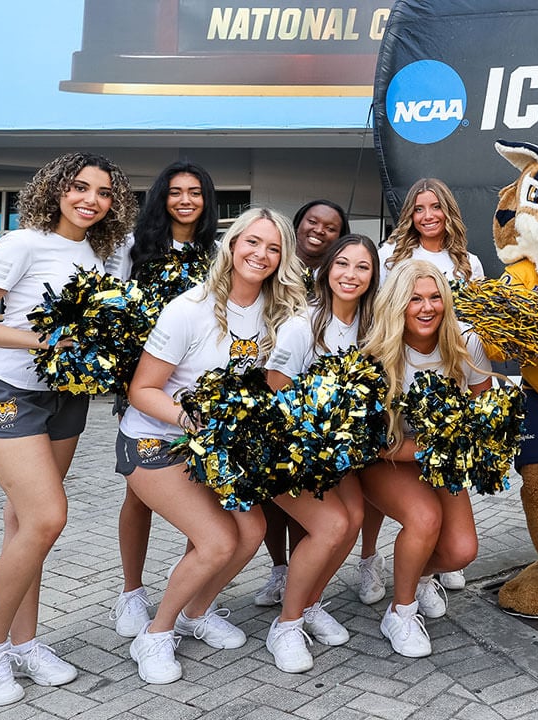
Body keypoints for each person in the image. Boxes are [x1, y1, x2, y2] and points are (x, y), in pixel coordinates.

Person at [0, 152, 136, 707]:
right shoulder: (21, 243)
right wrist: (47, 341)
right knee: (49, 516)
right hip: (6, 393)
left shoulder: (102, 256)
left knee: (25, 521)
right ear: (55, 189)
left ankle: (24, 643)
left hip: (65, 397)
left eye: (103, 193)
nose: (90, 201)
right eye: (79, 188)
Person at [116, 207, 306, 684]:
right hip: (155, 441)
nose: (261, 255)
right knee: (218, 539)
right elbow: (142, 389)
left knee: (253, 529)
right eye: (252, 242)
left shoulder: (278, 312)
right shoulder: (189, 308)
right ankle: (155, 635)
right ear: (231, 244)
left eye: (274, 248)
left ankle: (194, 613)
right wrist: (191, 420)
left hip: (217, 448)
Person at [359, 261, 495, 658]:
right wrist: (429, 449)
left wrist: (471, 441)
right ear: (398, 303)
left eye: (435, 297)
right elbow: (368, 440)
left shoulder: (465, 341)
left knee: (461, 551)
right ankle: (400, 612)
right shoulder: (377, 350)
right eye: (415, 298)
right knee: (424, 519)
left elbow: (484, 406)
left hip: (438, 458)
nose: (426, 307)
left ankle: (416, 574)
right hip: (386, 457)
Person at [258, 233, 378, 672]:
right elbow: (275, 382)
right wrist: (308, 435)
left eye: (362, 267)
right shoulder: (302, 324)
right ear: (325, 270)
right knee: (331, 527)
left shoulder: (369, 326)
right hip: (288, 448)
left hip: (333, 453)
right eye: (342, 264)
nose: (350, 275)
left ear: (372, 276)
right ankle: (286, 627)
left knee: (355, 520)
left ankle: (308, 604)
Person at [109, 160, 219, 638]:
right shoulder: (135, 247)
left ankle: (191, 593)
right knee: (140, 493)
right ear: (162, 197)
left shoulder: (216, 252)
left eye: (195, 192)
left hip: (198, 387)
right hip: (148, 379)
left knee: (198, 488)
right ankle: (132, 593)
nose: (186, 200)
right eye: (176, 192)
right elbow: (112, 304)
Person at [361, 179, 483, 601]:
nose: (428, 215)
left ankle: (424, 566)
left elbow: (480, 384)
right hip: (395, 425)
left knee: (461, 547)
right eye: (419, 208)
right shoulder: (390, 257)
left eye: (436, 207)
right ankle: (377, 569)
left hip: (441, 398)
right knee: (418, 515)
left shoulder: (469, 265)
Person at [255, 199, 351, 608]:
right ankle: (279, 570)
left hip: (312, 405)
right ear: (297, 224)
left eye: (331, 227)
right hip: (266, 384)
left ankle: (300, 575)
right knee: (271, 501)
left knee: (307, 502)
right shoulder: (273, 263)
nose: (320, 230)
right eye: (313, 221)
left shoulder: (338, 276)